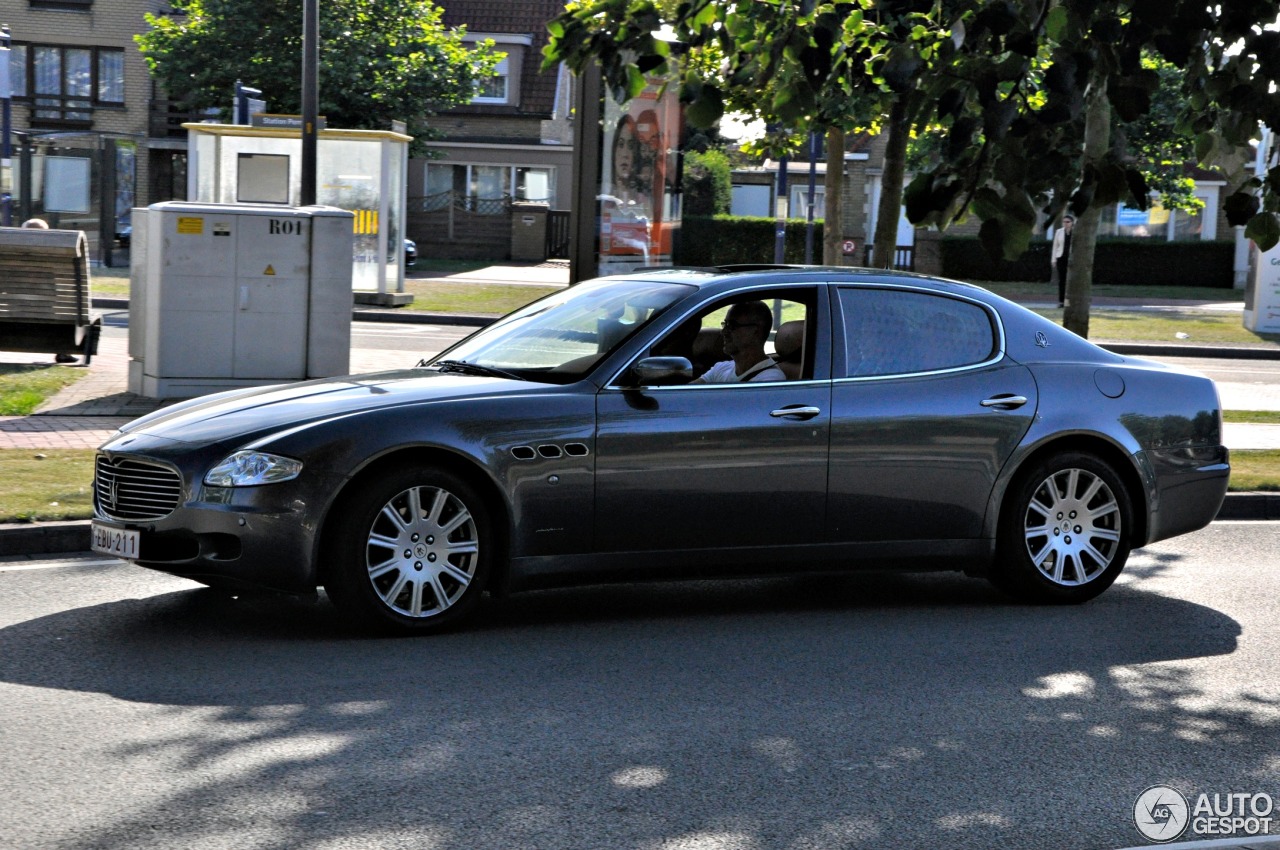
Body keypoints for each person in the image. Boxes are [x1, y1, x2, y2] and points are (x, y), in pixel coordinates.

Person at [695, 301, 787, 383]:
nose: (724, 332)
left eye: (732, 325)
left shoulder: (770, 380)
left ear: (756, 331)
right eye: (725, 324)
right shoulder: (720, 368)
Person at [1052, 214, 1074, 307]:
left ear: (1072, 223)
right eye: (1064, 222)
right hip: (1061, 258)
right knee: (1062, 280)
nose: (1065, 224)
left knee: (1071, 280)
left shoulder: (1076, 232)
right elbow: (1055, 246)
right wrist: (1053, 260)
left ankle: (1070, 301)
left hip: (1072, 259)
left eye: (1068, 222)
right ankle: (1061, 301)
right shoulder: (1059, 232)